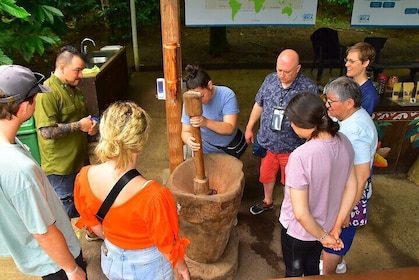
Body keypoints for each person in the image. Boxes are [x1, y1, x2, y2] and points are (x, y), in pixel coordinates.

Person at [74, 101, 190, 280]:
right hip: (148, 265)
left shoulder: (84, 176)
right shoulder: (155, 195)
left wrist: (116, 238)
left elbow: (93, 223)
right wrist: (181, 266)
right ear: (140, 143)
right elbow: (167, 244)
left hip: (111, 259)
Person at [0, 65, 86, 279]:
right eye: (35, 99)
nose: (37, 103)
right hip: (55, 262)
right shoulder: (19, 169)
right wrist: (72, 270)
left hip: (39, 255)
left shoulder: (8, 145)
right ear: (22, 108)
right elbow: (43, 231)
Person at [279, 91, 357, 277]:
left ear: (303, 124)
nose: (291, 125)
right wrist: (335, 227)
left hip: (300, 233)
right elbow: (351, 186)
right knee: (313, 269)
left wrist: (324, 237)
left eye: (292, 121)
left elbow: (301, 214)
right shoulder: (344, 141)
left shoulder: (301, 156)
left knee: (295, 271)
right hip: (327, 224)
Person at [245, 49, 318, 215]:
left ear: (298, 69)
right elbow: (259, 104)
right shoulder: (270, 80)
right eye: (279, 70)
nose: (282, 75)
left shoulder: (308, 87)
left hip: (292, 146)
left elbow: (313, 119)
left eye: (287, 71)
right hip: (268, 141)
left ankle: (289, 208)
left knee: (291, 180)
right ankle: (267, 200)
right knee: (266, 175)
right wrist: (250, 126)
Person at [34, 45, 98, 220]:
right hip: (61, 168)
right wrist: (79, 125)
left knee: (83, 203)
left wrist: (91, 125)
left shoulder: (74, 89)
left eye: (82, 70)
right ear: (62, 68)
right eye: (77, 70)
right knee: (65, 212)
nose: (80, 75)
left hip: (79, 160)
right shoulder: (47, 93)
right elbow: (46, 131)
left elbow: (81, 118)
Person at [321, 76, 378, 275]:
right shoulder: (348, 117)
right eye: (326, 100)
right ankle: (339, 266)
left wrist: (346, 212)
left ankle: (326, 274)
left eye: (331, 101)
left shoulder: (357, 130)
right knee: (341, 238)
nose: (327, 105)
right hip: (344, 191)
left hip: (350, 196)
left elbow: (361, 176)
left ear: (349, 103)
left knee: (334, 240)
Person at [181, 64, 240, 155]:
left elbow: (230, 128)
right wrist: (189, 140)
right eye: (195, 97)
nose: (198, 101)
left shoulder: (227, 95)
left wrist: (205, 122)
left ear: (210, 85)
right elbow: (185, 131)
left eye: (201, 96)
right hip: (205, 149)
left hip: (228, 149)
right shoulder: (190, 100)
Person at [345, 42, 379, 115]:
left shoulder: (369, 95)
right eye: (347, 60)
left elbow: (360, 121)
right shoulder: (346, 84)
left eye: (352, 61)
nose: (346, 64)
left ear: (365, 63)